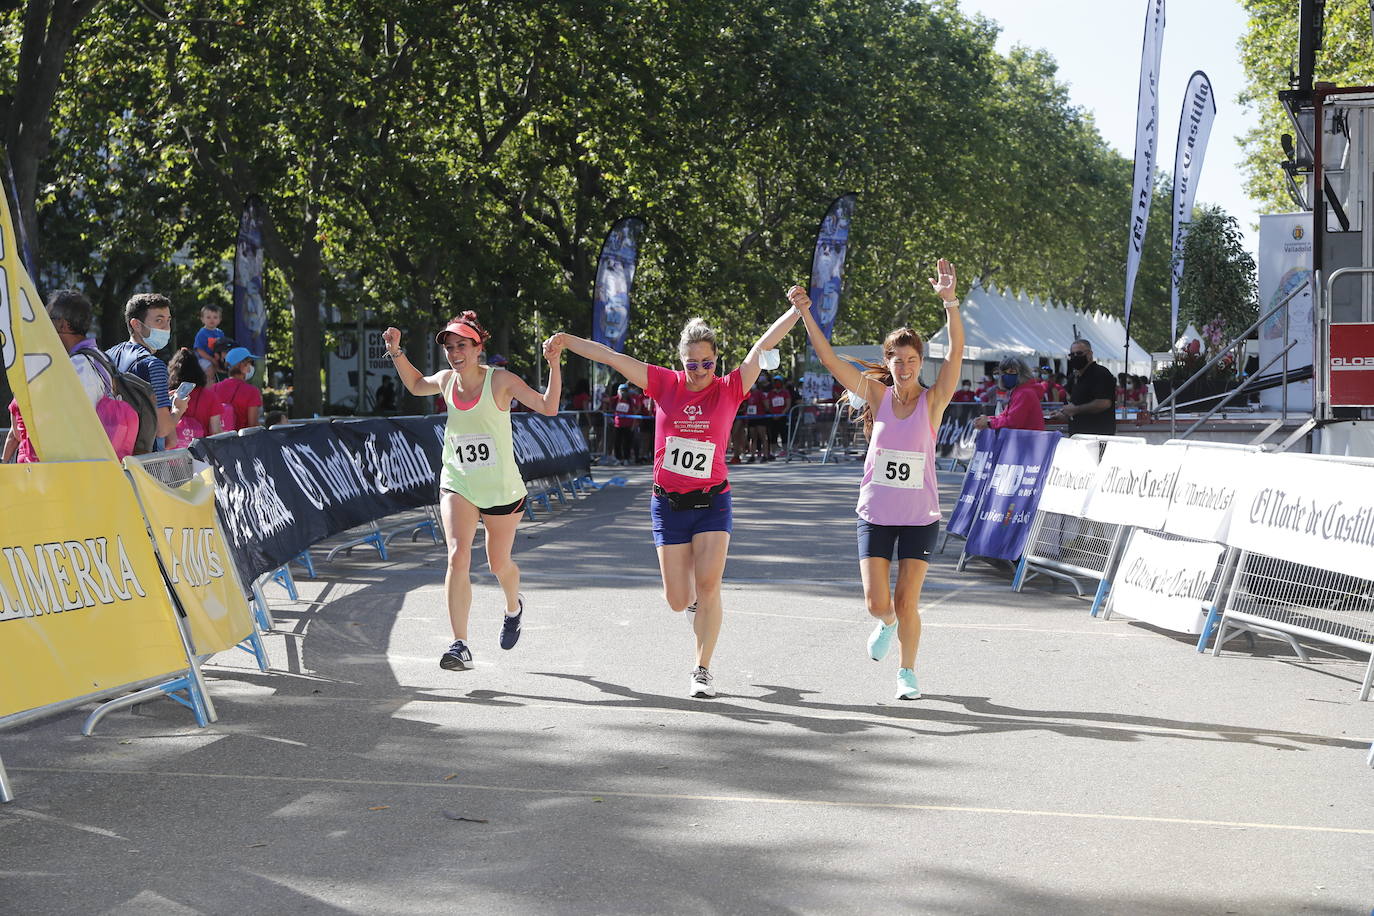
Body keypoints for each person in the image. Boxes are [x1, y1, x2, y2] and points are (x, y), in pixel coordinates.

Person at [549, 300, 801, 698]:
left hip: (712, 502)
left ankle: (702, 669)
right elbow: (612, 357)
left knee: (709, 585)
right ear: (680, 361)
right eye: (691, 363)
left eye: (706, 363)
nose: (699, 371)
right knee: (678, 598)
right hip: (668, 505)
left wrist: (795, 311)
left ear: (716, 359)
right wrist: (568, 341)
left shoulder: (730, 387)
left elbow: (760, 346)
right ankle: (695, 612)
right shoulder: (664, 383)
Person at [790, 259, 964, 701]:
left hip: (919, 517)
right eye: (896, 359)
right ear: (887, 362)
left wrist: (950, 302)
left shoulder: (933, 401)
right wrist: (806, 313)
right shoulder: (876, 394)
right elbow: (829, 360)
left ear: (920, 362)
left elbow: (958, 353)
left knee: (908, 602)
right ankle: (885, 625)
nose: (903, 366)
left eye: (911, 360)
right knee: (877, 603)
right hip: (875, 515)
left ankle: (907, 671)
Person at [382, 312, 562, 672]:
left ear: (479, 347)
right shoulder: (447, 381)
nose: (454, 353)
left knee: (499, 564)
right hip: (458, 481)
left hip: (500, 489)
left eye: (462, 345)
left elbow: (548, 406)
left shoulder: (501, 381)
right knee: (457, 554)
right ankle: (459, 643)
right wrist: (396, 351)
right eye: (450, 347)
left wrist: (554, 364)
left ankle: (514, 606)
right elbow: (418, 385)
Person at [106, 292, 184, 446]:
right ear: (136, 324)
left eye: (168, 321)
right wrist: (178, 409)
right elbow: (163, 430)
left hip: (113, 452)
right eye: (159, 320)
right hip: (145, 460)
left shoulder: (108, 356)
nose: (166, 328)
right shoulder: (153, 365)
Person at [1049, 339, 1116, 436]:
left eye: (1079, 353)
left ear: (1090, 354)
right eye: (1072, 355)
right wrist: (1064, 413)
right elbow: (1073, 404)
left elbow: (1104, 403)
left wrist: (1075, 410)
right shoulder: (1074, 377)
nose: (1075, 357)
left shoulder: (1101, 373)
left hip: (1098, 435)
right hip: (1077, 434)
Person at [167, 348, 228, 447]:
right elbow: (215, 431)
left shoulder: (169, 396)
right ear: (198, 370)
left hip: (173, 456)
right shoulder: (210, 397)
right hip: (201, 455)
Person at [974, 358, 1045, 431]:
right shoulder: (1017, 391)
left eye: (1012, 371)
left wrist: (989, 422)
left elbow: (1013, 422)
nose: (1007, 375)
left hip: (1027, 439)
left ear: (1022, 373)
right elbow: (1005, 416)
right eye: (1004, 372)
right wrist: (987, 419)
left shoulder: (1024, 393)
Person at [212, 346, 264, 431]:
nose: (251, 367)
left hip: (220, 440)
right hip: (242, 442)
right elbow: (252, 425)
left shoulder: (214, 388)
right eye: (250, 363)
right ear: (242, 365)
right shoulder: (252, 391)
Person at [610, 382, 639, 465]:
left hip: (628, 425)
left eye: (625, 390)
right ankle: (618, 458)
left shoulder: (630, 401)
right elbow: (608, 402)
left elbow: (634, 411)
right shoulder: (615, 399)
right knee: (617, 442)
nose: (623, 392)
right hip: (617, 424)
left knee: (627, 442)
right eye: (622, 390)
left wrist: (633, 424)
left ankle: (626, 458)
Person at [194, 304, 225, 379]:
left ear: (220, 319)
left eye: (215, 317)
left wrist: (220, 359)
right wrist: (212, 360)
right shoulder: (202, 333)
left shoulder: (220, 333)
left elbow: (223, 348)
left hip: (216, 359)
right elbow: (200, 351)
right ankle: (209, 388)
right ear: (202, 319)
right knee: (210, 369)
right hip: (203, 359)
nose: (212, 320)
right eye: (208, 317)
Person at [766, 374, 792, 456]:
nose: (777, 383)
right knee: (773, 434)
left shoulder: (785, 393)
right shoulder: (771, 393)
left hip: (782, 417)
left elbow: (788, 404)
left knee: (784, 434)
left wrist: (781, 414)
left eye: (778, 382)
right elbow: (768, 404)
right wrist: (773, 414)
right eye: (775, 382)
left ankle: (785, 451)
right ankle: (773, 452)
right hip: (772, 417)